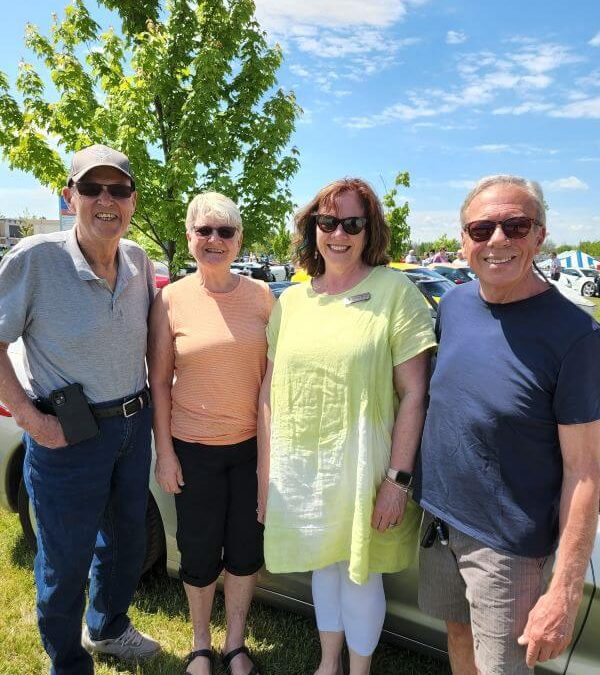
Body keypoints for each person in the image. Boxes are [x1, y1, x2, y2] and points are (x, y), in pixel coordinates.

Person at [414, 175, 600, 675]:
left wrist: (563, 589)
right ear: (463, 240)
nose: (497, 240)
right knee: (457, 640)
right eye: (481, 228)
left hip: (507, 550)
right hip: (439, 521)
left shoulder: (576, 335)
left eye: (515, 226)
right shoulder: (452, 306)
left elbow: (586, 472)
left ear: (539, 236)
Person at [257, 178, 436, 675]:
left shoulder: (395, 292)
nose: (339, 233)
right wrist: (265, 476)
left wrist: (397, 480)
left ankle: (359, 670)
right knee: (324, 563)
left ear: (368, 229)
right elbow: (270, 391)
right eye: (328, 222)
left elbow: (415, 394)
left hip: (366, 466)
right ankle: (327, 663)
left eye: (352, 223)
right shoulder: (291, 302)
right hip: (304, 468)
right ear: (312, 227)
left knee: (359, 573)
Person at [0, 144, 159, 675]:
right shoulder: (34, 260)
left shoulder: (139, 260)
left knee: (125, 541)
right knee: (64, 563)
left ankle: (108, 627)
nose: (105, 200)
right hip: (67, 436)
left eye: (118, 189)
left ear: (132, 200)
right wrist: (30, 418)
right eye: (92, 188)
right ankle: (67, 663)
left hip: (133, 429)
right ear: (70, 197)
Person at [148, 192, 273, 675]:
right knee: (198, 551)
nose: (214, 240)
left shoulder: (263, 299)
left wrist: (267, 463)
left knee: (245, 551)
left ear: (240, 239)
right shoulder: (171, 299)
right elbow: (159, 381)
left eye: (225, 231)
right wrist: (165, 451)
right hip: (191, 448)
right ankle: (201, 645)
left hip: (249, 450)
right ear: (189, 238)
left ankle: (235, 644)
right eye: (205, 231)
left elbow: (271, 380)